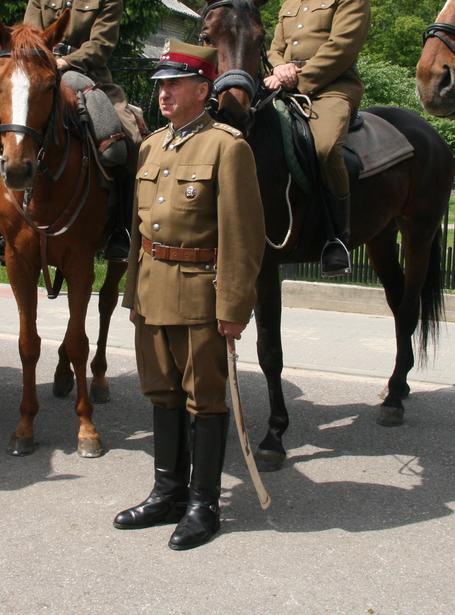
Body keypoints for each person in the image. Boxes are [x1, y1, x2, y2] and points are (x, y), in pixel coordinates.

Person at [115, 40, 264, 551]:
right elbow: (138, 231)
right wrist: (133, 290)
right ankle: (167, 492)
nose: (164, 92)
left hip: (202, 293)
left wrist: (234, 307)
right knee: (161, 392)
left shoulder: (228, 146)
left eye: (174, 84)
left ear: (203, 89)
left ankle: (204, 503)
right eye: (160, 84)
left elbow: (242, 236)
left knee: (204, 399)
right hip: (153, 289)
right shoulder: (151, 145)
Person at [0, 0, 141, 261]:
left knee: (124, 141)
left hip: (89, 77)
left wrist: (67, 61)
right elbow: (29, 37)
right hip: (40, 76)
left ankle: (121, 232)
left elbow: (102, 45)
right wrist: (45, 62)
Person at [264, 0, 370, 276]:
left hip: (332, 88)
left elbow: (342, 48)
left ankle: (337, 237)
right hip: (282, 86)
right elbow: (275, 49)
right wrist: (279, 71)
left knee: (324, 148)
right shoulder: (291, 1)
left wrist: (299, 77)